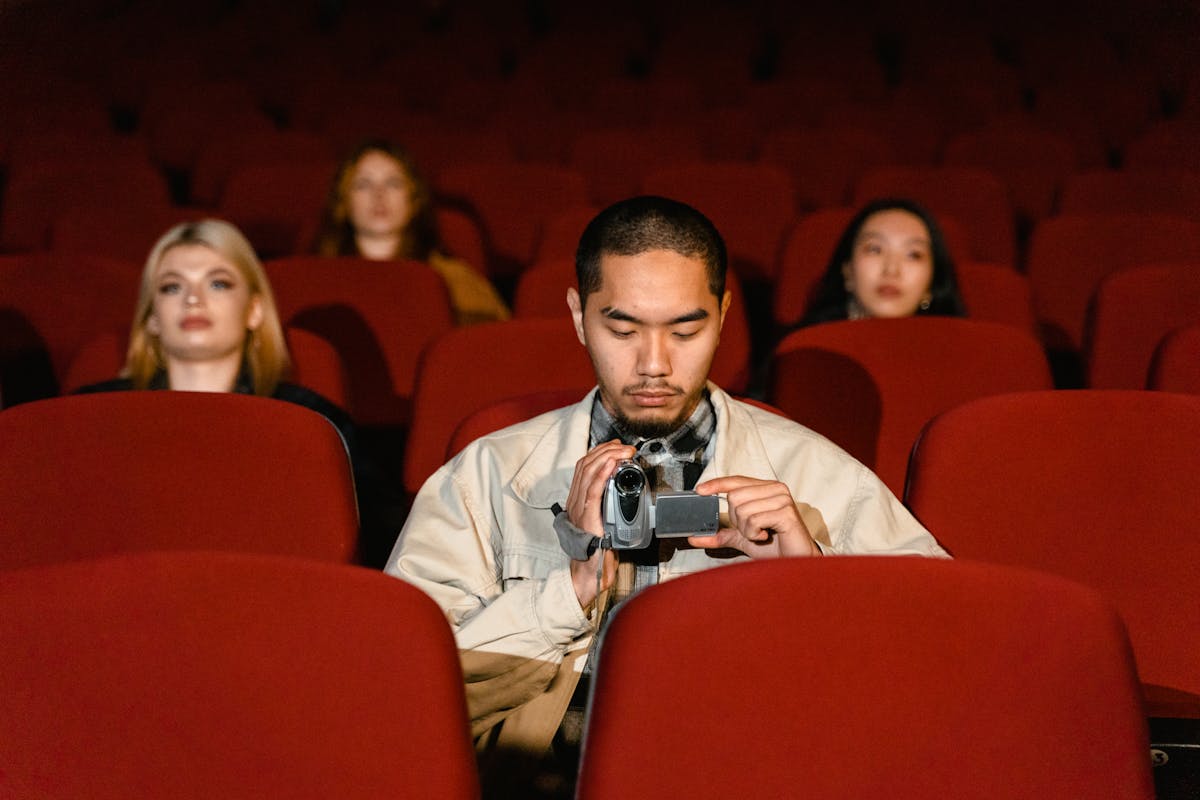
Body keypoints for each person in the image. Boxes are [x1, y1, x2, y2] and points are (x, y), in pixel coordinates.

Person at [384, 196, 947, 797]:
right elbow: (403, 699)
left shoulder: (822, 476)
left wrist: (812, 581)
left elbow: (937, 674)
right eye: (622, 329)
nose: (654, 364)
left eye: (686, 329)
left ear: (725, 315)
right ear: (578, 316)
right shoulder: (486, 475)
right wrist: (566, 593)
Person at [76, 218, 392, 561]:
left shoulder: (312, 423)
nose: (192, 300)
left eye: (218, 284)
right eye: (171, 287)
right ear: (151, 317)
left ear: (254, 310)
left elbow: (375, 541)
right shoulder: (89, 417)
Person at [313, 138, 510, 326]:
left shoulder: (452, 280)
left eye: (393, 183)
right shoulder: (317, 279)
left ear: (414, 198)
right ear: (343, 200)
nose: (379, 195)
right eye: (363, 185)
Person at [798, 197, 967, 326]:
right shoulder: (802, 349)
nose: (891, 269)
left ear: (932, 283)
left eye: (913, 255)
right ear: (848, 270)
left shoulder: (959, 356)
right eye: (875, 249)